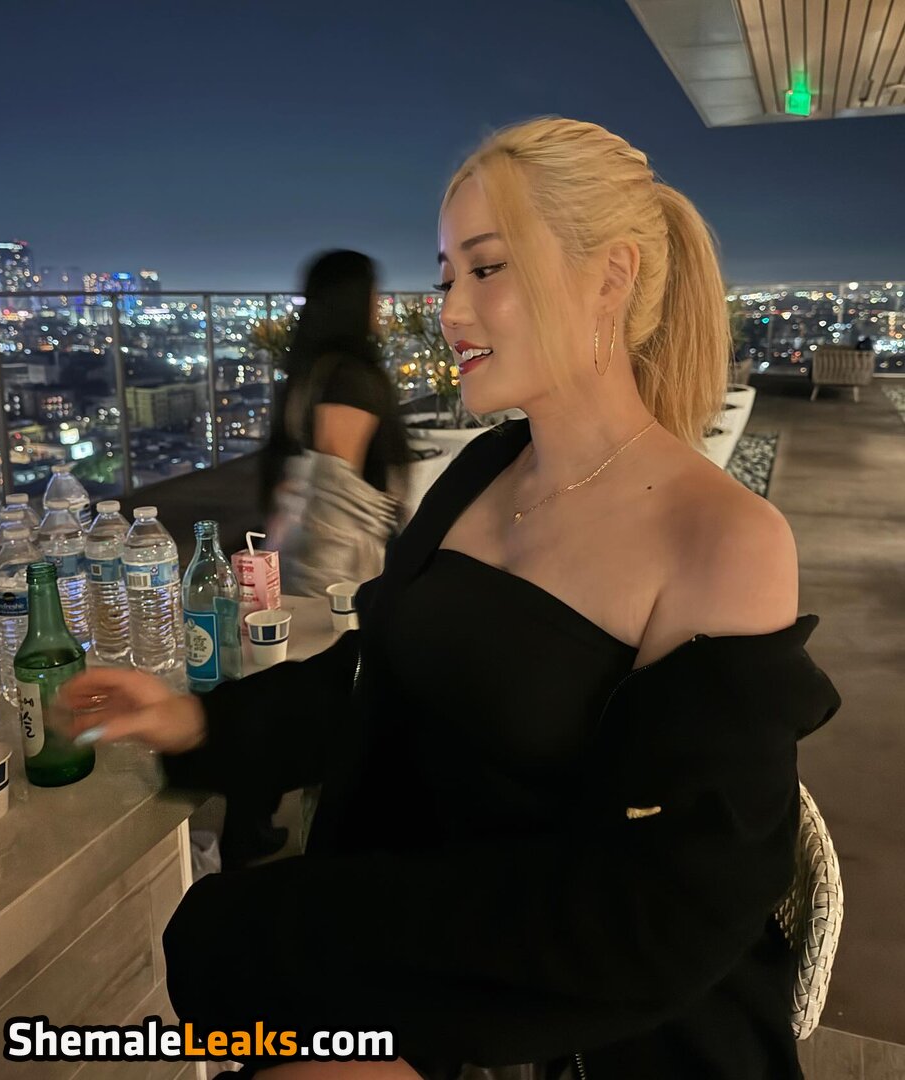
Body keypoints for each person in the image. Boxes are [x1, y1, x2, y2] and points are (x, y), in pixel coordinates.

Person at [63, 118, 840, 1079]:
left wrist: (351, 965)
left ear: (611, 276)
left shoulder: (724, 539)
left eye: (488, 268)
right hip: (424, 958)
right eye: (444, 278)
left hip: (597, 1030)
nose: (452, 312)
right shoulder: (483, 472)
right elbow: (377, 674)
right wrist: (198, 721)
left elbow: (669, 915)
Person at [261, 249, 411, 597]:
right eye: (374, 293)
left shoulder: (313, 369)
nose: (378, 304)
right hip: (342, 581)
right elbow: (336, 498)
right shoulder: (350, 381)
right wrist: (333, 601)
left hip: (308, 562)